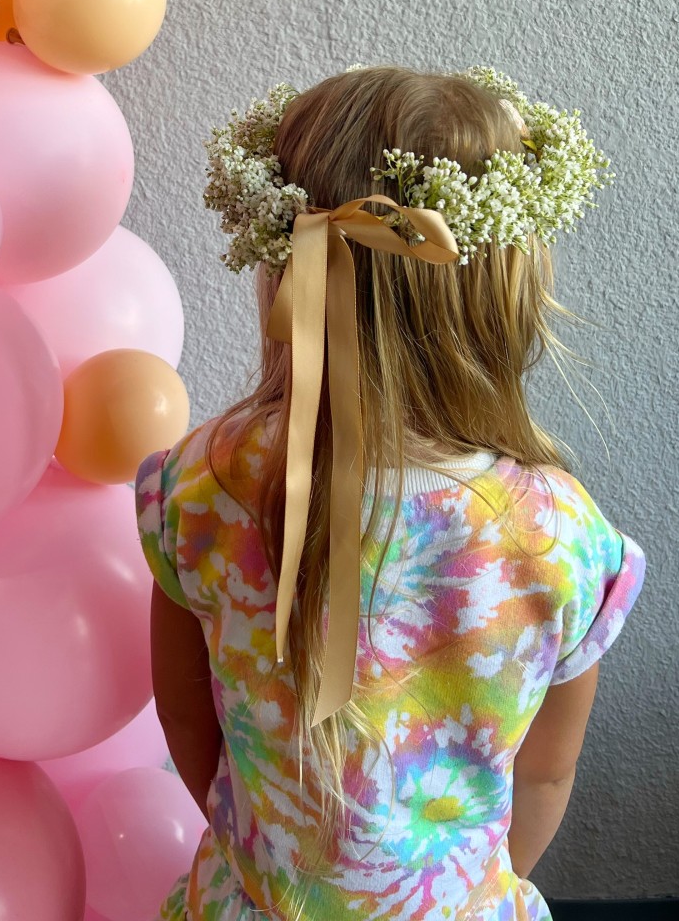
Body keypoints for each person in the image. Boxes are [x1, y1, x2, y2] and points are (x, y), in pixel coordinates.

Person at [135, 65, 646, 921]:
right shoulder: (558, 535)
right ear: (506, 288)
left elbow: (187, 725)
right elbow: (546, 771)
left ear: (282, 263)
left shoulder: (202, 486)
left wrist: (269, 865)